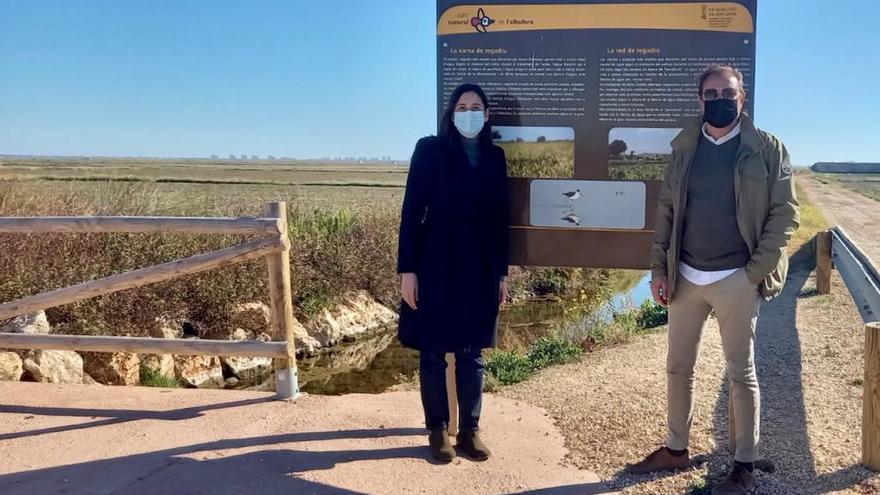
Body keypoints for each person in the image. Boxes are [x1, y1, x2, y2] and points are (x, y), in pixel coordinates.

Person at [627, 64, 799, 495]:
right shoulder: (685, 149)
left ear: (742, 99)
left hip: (736, 279)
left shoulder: (767, 149)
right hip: (685, 277)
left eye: (728, 92)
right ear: (699, 99)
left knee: (741, 372)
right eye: (711, 93)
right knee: (678, 368)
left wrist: (752, 274)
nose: (719, 99)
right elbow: (666, 212)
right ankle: (675, 448)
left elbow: (785, 216)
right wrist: (659, 270)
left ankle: (743, 464)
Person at [396, 83, 509, 463]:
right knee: (432, 351)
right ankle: (437, 430)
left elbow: (499, 221)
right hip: (434, 262)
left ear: (487, 114)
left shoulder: (495, 158)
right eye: (462, 106)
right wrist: (408, 270)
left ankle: (470, 431)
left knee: (471, 352)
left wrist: (501, 274)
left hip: (478, 267)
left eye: (476, 106)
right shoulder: (429, 150)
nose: (469, 112)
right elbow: (411, 211)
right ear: (451, 112)